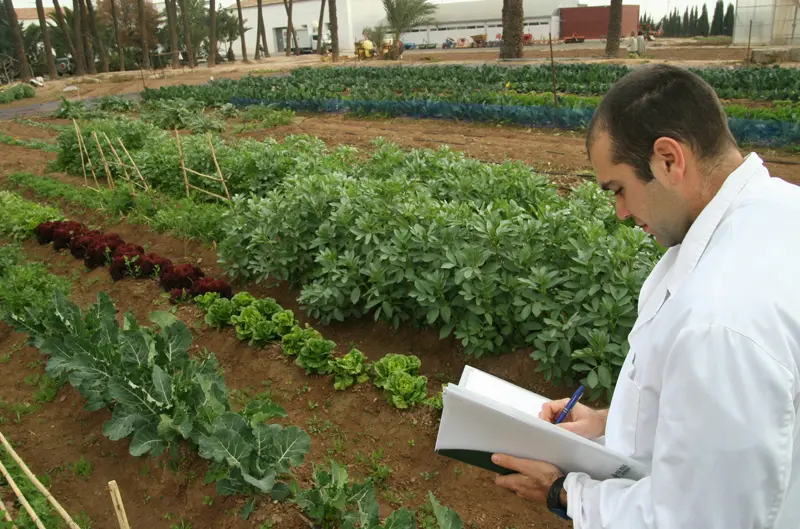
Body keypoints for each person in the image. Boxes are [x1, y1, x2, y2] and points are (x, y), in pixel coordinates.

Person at [491, 64, 800, 528]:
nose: (620, 212)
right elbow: (711, 435)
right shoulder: (779, 212)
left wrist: (563, 491)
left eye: (619, 189)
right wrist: (607, 424)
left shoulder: (719, 322)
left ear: (669, 160)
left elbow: (698, 519)